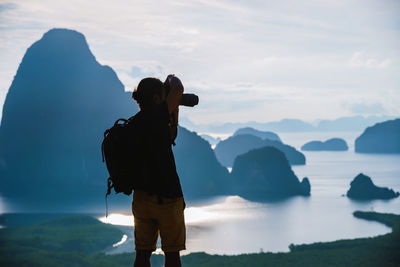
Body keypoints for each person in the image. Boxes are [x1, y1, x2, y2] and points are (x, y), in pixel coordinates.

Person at [131, 75, 185, 267]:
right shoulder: (156, 116)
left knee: (142, 254)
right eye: (164, 96)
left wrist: (174, 112)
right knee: (172, 255)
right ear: (156, 99)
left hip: (141, 198)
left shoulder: (133, 123)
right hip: (168, 198)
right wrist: (170, 79)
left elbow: (170, 136)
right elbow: (178, 88)